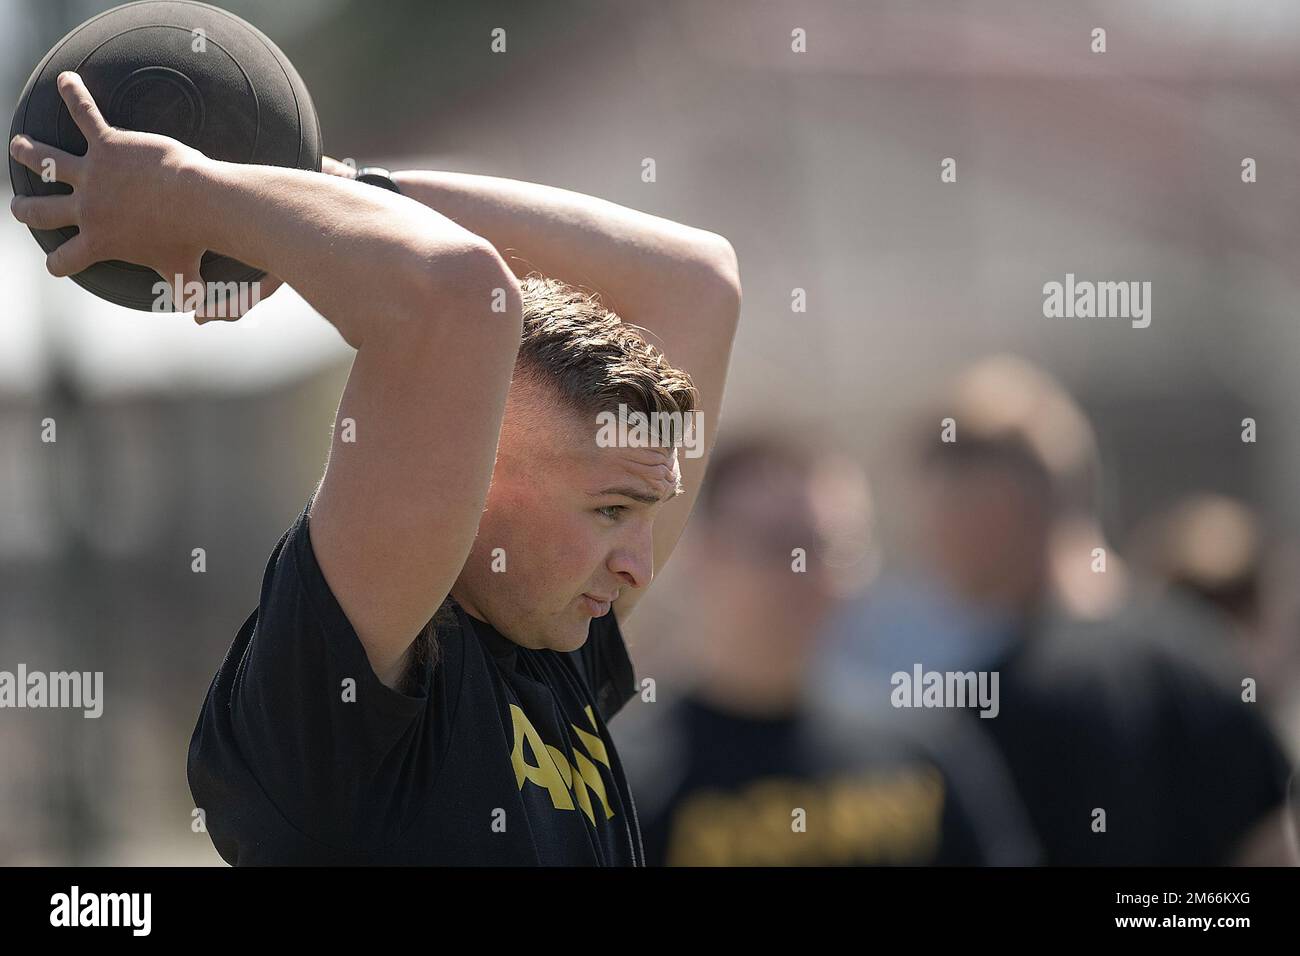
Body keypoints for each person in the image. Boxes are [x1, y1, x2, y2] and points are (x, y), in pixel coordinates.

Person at [10, 72, 741, 864]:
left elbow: (698, 280)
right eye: (609, 511)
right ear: (477, 474)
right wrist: (194, 194)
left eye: (643, 512)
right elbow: (452, 293)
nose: (641, 564)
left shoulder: (552, 639)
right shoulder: (366, 674)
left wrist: (323, 188)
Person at [821, 355, 1296, 865]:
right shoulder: (1204, 654)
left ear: (991, 513)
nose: (927, 547)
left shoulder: (997, 703)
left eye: (938, 515)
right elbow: (1272, 852)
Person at [615, 437, 996, 865]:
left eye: (830, 547)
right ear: (701, 553)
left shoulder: (924, 747)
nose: (804, 572)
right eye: (778, 543)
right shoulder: (628, 773)